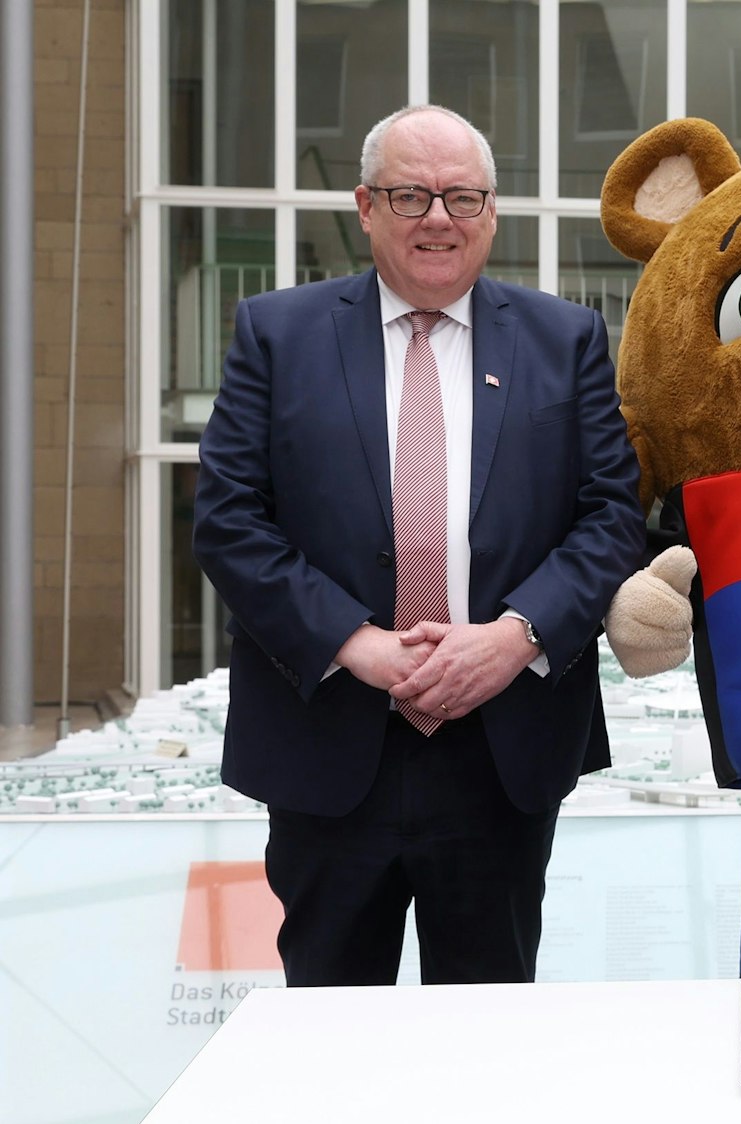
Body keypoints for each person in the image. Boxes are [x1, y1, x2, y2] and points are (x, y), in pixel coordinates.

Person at [192, 105, 645, 986]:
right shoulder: (276, 335)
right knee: (328, 1027)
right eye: (411, 195)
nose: (438, 217)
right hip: (329, 741)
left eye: (462, 197)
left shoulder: (568, 340)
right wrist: (354, 644)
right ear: (366, 207)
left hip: (500, 746)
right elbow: (230, 518)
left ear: (491, 211)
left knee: (484, 1039)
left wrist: (515, 638)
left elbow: (612, 518)